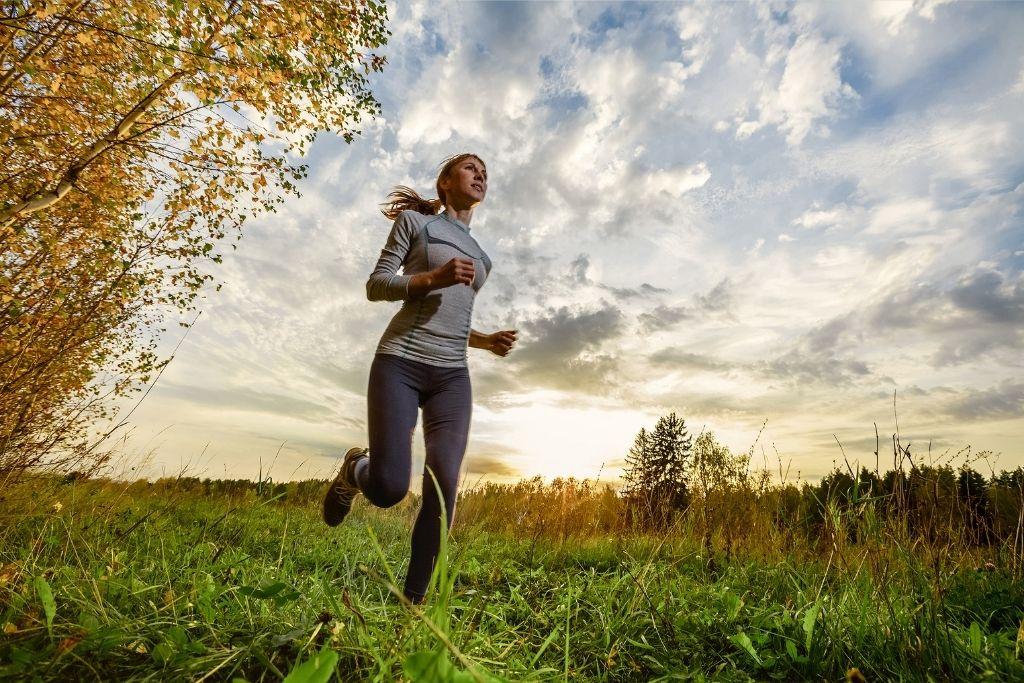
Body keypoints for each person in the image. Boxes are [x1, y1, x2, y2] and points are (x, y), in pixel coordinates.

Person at [322, 152, 518, 605]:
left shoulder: (484, 260)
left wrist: (485, 341)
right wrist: (431, 277)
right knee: (390, 488)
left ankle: (413, 606)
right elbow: (377, 285)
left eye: (485, 172)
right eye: (471, 168)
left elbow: (449, 319)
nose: (481, 175)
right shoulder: (416, 224)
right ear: (445, 181)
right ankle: (355, 469)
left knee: (443, 484)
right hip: (400, 362)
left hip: (452, 376)